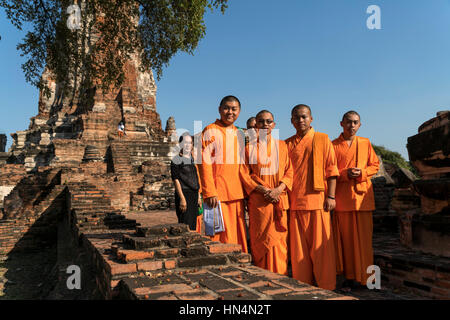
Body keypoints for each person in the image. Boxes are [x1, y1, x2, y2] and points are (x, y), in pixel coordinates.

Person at [285, 104, 339, 290]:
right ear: (291, 121)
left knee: (322, 248)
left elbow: (332, 170)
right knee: (298, 250)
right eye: (296, 117)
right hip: (294, 201)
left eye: (304, 117)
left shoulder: (323, 139)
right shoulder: (286, 144)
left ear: (311, 119)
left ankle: (327, 285)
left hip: (318, 201)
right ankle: (303, 285)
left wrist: (331, 196)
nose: (300, 120)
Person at [198, 95, 253, 253]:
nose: (230, 112)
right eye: (226, 108)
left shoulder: (240, 134)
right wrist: (209, 191)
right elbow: (204, 162)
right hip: (217, 194)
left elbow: (244, 165)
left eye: (234, 109)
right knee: (218, 236)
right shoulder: (210, 130)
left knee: (237, 234)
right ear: (220, 110)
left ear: (239, 111)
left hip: (237, 192)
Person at [331, 111, 380, 289]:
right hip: (343, 200)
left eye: (355, 122)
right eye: (348, 122)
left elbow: (375, 165)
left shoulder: (365, 143)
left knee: (365, 243)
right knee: (346, 243)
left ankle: (371, 279)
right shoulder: (332, 145)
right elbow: (329, 170)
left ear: (360, 125)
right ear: (341, 123)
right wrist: (344, 174)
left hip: (362, 199)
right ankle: (350, 277)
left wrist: (363, 172)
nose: (352, 125)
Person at [244, 110, 293, 275]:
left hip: (278, 198)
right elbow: (244, 175)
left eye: (268, 121)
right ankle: (263, 275)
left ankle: (281, 275)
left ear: (274, 124)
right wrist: (263, 189)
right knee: (260, 240)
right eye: (261, 121)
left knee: (279, 241)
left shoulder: (283, 146)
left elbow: (290, 172)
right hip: (260, 201)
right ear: (256, 125)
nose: (265, 124)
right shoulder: (248, 148)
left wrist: (278, 189)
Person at [170, 133, 202, 230]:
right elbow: (176, 180)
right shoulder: (176, 160)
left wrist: (198, 197)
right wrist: (182, 198)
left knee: (193, 225)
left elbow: (195, 179)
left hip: (194, 195)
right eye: (185, 142)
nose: (188, 145)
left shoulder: (191, 160)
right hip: (184, 194)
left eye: (190, 143)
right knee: (185, 226)